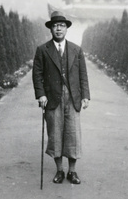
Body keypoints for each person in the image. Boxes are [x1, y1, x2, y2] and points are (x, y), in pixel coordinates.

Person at [32, 11, 90, 185]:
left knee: (73, 134)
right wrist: (41, 94)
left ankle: (72, 172)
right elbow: (37, 74)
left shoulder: (76, 49)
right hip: (52, 98)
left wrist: (85, 96)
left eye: (62, 26)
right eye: (55, 26)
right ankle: (59, 171)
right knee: (55, 134)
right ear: (51, 29)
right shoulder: (43, 50)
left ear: (66, 29)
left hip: (73, 97)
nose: (58, 29)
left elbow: (83, 75)